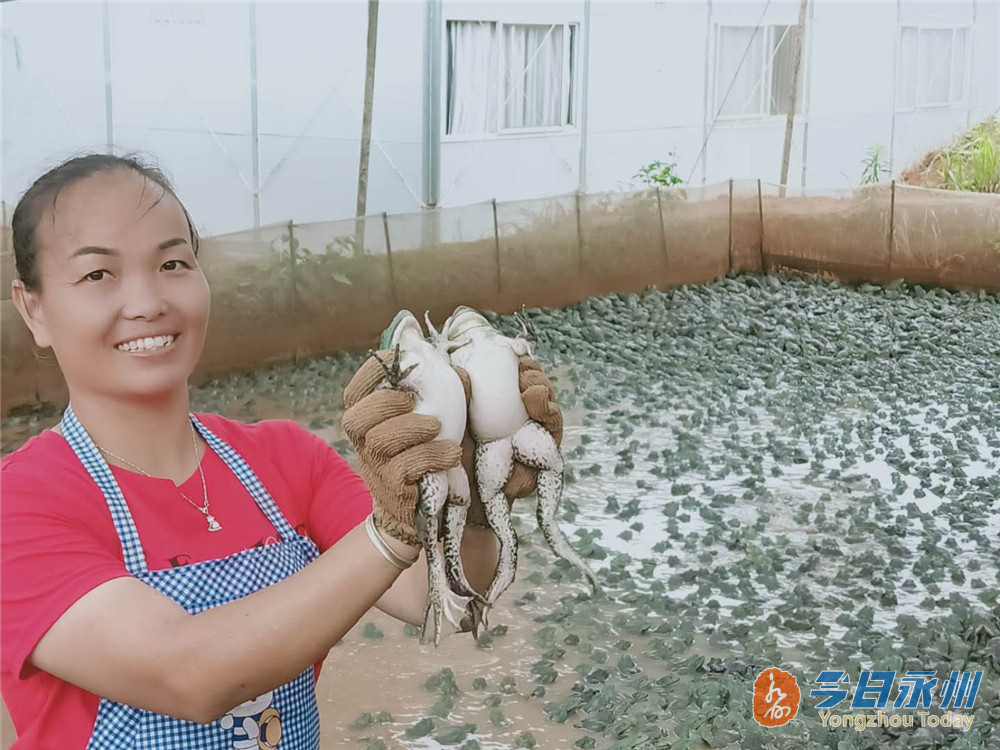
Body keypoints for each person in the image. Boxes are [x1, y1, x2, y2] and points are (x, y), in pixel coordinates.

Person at [0, 154, 563, 748]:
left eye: (171, 263)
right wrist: (393, 533)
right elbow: (188, 675)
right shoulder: (20, 503)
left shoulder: (286, 459)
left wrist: (469, 498)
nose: (145, 301)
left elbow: (443, 597)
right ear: (33, 307)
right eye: (98, 275)